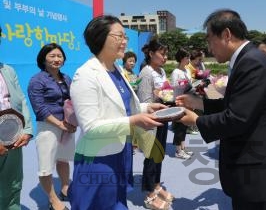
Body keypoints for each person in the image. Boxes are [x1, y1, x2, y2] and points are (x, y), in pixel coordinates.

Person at [176, 9, 266, 210]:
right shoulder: (249, 59)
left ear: (226, 35)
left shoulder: (251, 63)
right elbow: (239, 105)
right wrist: (200, 103)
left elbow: (237, 118)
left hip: (259, 177)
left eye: (209, 39)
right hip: (259, 172)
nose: (209, 47)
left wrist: (195, 121)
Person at [67, 15, 165, 210]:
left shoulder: (117, 70)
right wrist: (134, 120)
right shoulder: (85, 75)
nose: (124, 41)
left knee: (118, 203)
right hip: (98, 159)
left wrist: (146, 108)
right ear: (100, 38)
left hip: (121, 153)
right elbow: (92, 127)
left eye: (125, 36)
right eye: (119, 36)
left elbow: (122, 108)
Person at [28, 43, 75, 210]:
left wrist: (72, 122)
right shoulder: (37, 80)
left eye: (59, 56)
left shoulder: (67, 78)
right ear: (43, 59)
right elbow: (39, 108)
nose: (57, 59)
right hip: (48, 126)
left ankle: (65, 188)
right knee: (45, 167)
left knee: (63, 159)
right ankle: (53, 200)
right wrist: (59, 124)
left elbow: (73, 100)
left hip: (67, 126)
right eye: (52, 56)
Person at [137, 37, 174, 210]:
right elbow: (144, 102)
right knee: (151, 158)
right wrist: (159, 96)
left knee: (160, 155)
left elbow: (165, 92)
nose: (165, 57)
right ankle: (149, 194)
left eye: (166, 54)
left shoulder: (161, 71)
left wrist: (168, 95)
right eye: (162, 53)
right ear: (151, 54)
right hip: (151, 121)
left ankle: (157, 185)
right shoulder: (146, 73)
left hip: (163, 118)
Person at [0, 25, 33, 210]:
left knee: (13, 185)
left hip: (13, 137)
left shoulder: (8, 70)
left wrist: (27, 131)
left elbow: (21, 101)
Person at [170, 48, 193, 160]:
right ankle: (178, 150)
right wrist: (185, 83)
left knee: (184, 126)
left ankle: (183, 148)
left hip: (187, 101)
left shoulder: (187, 70)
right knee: (179, 127)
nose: (188, 59)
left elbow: (190, 83)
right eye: (187, 57)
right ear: (181, 58)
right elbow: (173, 85)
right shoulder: (176, 72)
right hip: (178, 101)